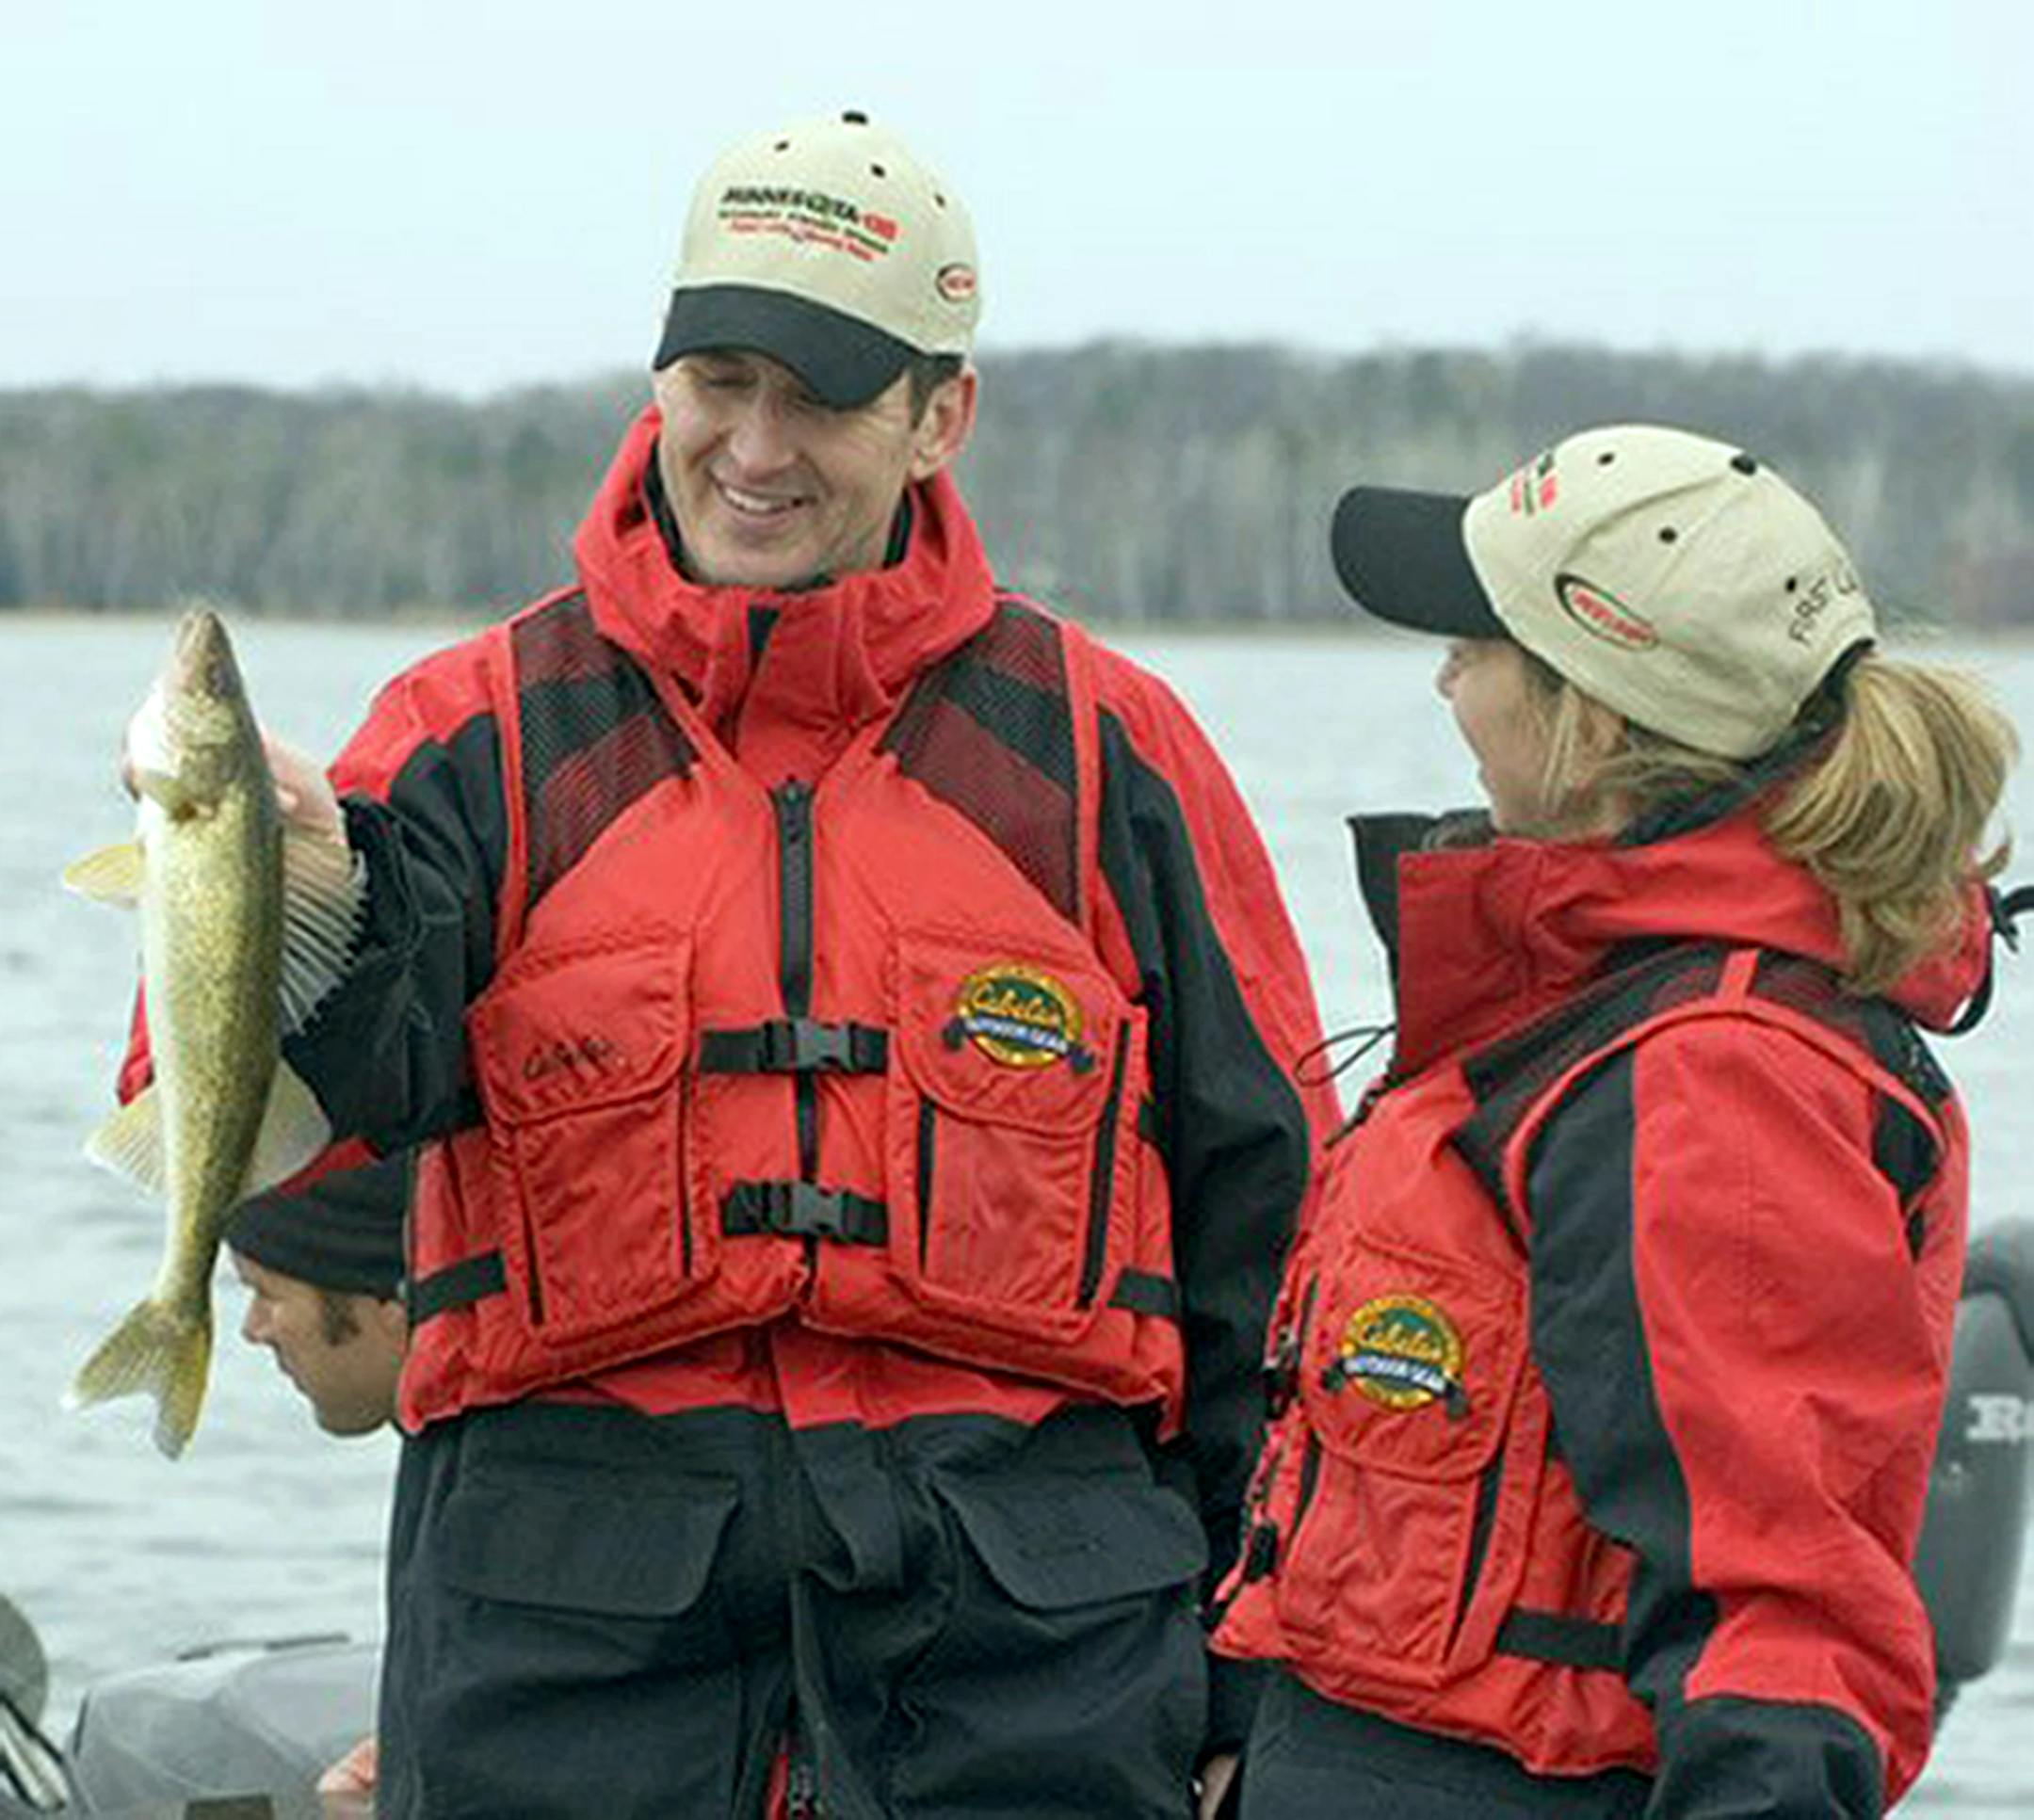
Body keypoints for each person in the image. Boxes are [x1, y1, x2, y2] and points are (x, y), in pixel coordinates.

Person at [118, 111, 1332, 1817]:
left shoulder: (1112, 755)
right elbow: (291, 1095)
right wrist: (309, 895)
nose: (755, 446)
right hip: (565, 1666)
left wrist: (1252, 1668)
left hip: (1031, 1670)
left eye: (822, 396)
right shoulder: (470, 735)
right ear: (663, 375)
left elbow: (1273, 1233)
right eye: (719, 378)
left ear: (939, 414)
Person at [1212, 425, 2018, 1818]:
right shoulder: (1582, 1010)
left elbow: (1781, 1626)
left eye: (1480, 645)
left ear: (1592, 721)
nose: (1445, 675)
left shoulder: (1712, 1080)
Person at [224, 1153, 410, 1436]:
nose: (252, 1330)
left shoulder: (492, 1467)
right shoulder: (459, 1448)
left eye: (268, 1295)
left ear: (394, 1307)